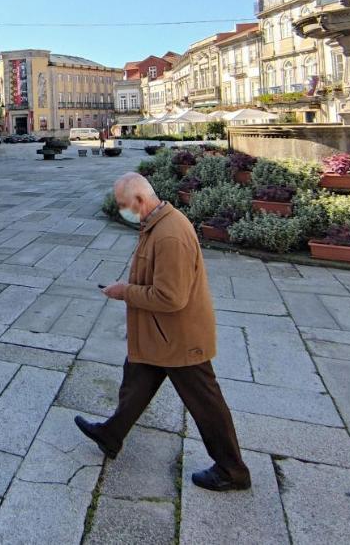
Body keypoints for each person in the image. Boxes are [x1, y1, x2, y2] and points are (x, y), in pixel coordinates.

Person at [75, 172, 250, 492]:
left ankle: (232, 469)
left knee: (206, 404)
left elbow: (171, 297)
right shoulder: (157, 223)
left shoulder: (170, 234)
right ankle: (111, 434)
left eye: (123, 204)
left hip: (179, 338)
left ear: (140, 200)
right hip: (161, 335)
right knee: (137, 377)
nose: (121, 210)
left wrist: (124, 291)